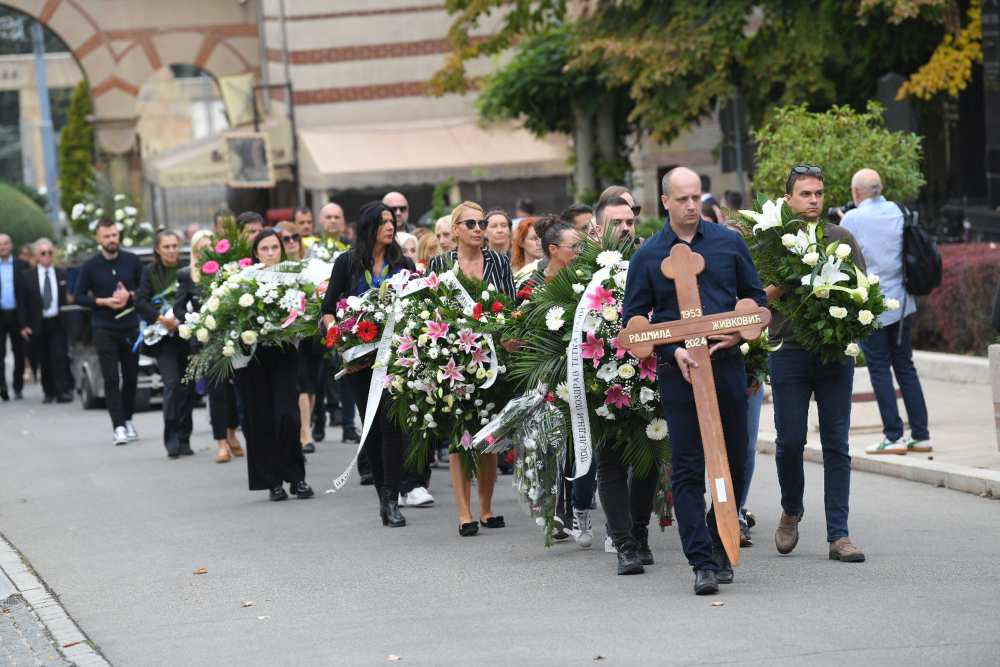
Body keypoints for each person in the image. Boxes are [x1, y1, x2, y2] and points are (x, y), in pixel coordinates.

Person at [623, 167, 765, 593]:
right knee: (687, 466)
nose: (690, 206)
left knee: (735, 461)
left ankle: (720, 541)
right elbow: (635, 324)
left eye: (696, 197)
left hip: (726, 367)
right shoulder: (648, 255)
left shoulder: (728, 243)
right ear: (664, 201)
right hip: (679, 373)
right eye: (681, 199)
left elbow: (756, 303)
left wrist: (735, 333)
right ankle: (701, 561)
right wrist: (674, 350)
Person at [770, 164, 867, 564]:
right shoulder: (773, 243)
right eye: (806, 194)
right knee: (790, 441)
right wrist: (789, 280)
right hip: (789, 352)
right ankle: (792, 509)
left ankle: (839, 535)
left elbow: (864, 290)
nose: (813, 201)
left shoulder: (841, 238)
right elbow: (756, 297)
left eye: (819, 193)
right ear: (789, 199)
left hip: (832, 354)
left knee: (837, 444)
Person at [321, 202, 413, 526]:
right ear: (368, 227)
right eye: (383, 222)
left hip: (396, 358)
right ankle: (383, 496)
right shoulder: (347, 262)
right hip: (359, 362)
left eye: (392, 221)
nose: (391, 226)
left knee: (393, 427)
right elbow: (328, 308)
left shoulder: (403, 263)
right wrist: (337, 334)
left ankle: (393, 495)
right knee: (372, 427)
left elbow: (418, 307)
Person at [429, 201, 516, 536]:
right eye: (471, 224)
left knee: (489, 436)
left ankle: (487, 508)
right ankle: (464, 512)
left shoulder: (499, 261)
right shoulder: (439, 263)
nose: (479, 229)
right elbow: (429, 308)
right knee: (459, 437)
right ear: (455, 230)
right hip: (454, 358)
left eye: (482, 223)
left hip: (493, 358)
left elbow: (509, 306)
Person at [841, 169, 930, 455]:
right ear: (880, 188)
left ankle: (892, 436)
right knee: (905, 365)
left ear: (856, 192)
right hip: (903, 302)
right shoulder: (898, 210)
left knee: (879, 367)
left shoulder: (852, 218)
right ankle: (921, 434)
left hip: (872, 305)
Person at [235, 228, 314, 501]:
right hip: (253, 355)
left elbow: (305, 312)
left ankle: (297, 477)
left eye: (274, 248)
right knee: (260, 418)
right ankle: (272, 482)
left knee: (286, 416)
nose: (270, 253)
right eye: (264, 249)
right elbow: (234, 315)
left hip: (283, 352)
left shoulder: (293, 275)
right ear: (256, 253)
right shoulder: (244, 279)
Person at [174, 230, 245, 463]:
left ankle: (232, 433)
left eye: (209, 247)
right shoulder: (187, 275)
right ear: (194, 251)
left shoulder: (227, 272)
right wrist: (196, 319)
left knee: (235, 390)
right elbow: (178, 308)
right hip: (204, 340)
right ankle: (221, 443)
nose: (206, 252)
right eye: (200, 248)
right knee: (216, 392)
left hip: (230, 337)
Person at [73, 219, 144, 445]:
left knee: (131, 377)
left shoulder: (132, 260)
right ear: (98, 239)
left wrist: (129, 296)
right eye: (106, 236)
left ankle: (128, 419)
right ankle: (118, 426)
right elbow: (79, 296)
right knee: (111, 378)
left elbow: (145, 289)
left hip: (130, 327)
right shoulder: (90, 266)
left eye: (114, 235)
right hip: (104, 327)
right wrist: (104, 301)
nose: (111, 240)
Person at [137, 229, 193, 459]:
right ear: (158, 249)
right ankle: (171, 437)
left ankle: (185, 437)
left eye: (174, 246)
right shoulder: (149, 271)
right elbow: (140, 301)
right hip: (164, 337)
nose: (171, 251)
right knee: (171, 385)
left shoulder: (188, 269)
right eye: (166, 247)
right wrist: (161, 319)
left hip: (187, 334)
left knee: (188, 386)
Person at [23, 238, 72, 403]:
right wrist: (24, 325)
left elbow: (66, 297)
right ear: (37, 255)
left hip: (57, 320)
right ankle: (48, 391)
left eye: (50, 252)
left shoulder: (61, 273)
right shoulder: (28, 276)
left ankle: (62, 390)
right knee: (44, 358)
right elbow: (23, 302)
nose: (47, 256)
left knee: (59, 356)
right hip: (38, 322)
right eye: (43, 253)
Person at [0, 233, 30, 401]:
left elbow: (28, 293)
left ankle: (18, 387)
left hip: (18, 315)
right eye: (0, 244)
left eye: (5, 243)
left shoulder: (22, 265)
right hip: (0, 315)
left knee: (19, 352)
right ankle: (2, 387)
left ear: (11, 246)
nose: (3, 247)